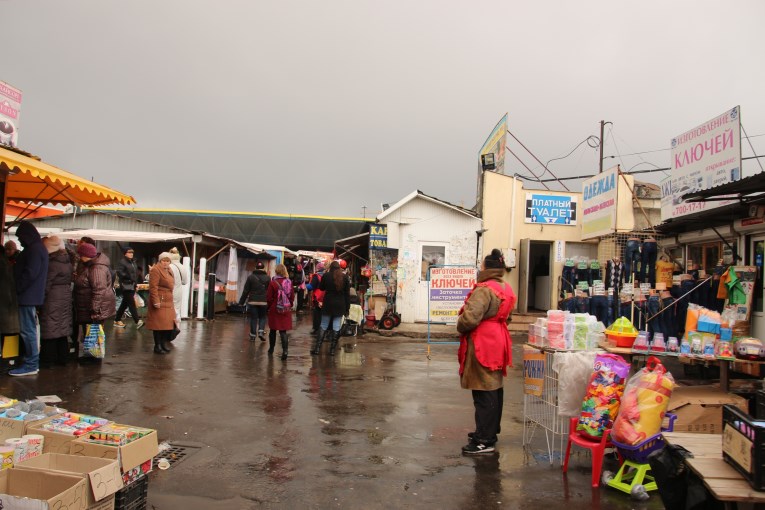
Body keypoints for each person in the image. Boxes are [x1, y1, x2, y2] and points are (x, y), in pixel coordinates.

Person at [456, 249, 516, 455]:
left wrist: (460, 323)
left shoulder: (483, 289)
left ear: (485, 268)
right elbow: (508, 317)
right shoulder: (505, 287)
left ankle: (484, 440)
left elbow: (470, 318)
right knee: (495, 386)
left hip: (483, 341)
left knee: (483, 390)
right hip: (499, 338)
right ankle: (489, 431)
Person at [9, 221, 48, 376]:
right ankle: (31, 362)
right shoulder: (37, 248)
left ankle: (31, 364)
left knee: (28, 330)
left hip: (27, 296)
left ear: (26, 236)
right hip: (30, 295)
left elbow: (30, 273)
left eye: (20, 237)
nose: (19, 241)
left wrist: (18, 288)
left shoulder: (34, 249)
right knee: (29, 330)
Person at [73, 242, 116, 361]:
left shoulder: (96, 268)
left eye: (81, 255)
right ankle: (92, 355)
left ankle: (93, 357)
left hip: (94, 309)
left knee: (93, 331)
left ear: (86, 255)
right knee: (92, 332)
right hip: (91, 306)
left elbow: (99, 290)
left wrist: (94, 309)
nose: (80, 257)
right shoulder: (92, 266)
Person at [39, 236, 73, 367]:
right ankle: (63, 358)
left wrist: (39, 300)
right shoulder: (67, 262)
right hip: (65, 298)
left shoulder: (52, 263)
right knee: (62, 329)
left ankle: (48, 360)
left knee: (50, 328)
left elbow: (46, 285)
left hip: (53, 299)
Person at [312, 260, 350, 356]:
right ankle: (332, 350)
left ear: (331, 268)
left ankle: (317, 349)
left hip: (328, 303)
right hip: (340, 304)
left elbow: (321, 288)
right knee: (336, 326)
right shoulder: (345, 277)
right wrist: (347, 308)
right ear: (339, 268)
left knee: (324, 325)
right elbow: (347, 295)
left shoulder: (326, 276)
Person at [146, 252, 176, 354]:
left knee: (166, 325)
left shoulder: (169, 270)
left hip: (168, 301)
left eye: (168, 261)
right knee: (158, 325)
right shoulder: (156, 270)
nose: (166, 263)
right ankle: (157, 346)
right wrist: (155, 301)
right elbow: (153, 287)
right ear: (160, 260)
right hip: (160, 300)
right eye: (164, 260)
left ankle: (163, 344)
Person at [266, 264, 294, 359]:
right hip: (285, 309)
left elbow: (269, 298)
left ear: (276, 271)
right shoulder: (289, 282)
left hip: (275, 309)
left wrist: (269, 307)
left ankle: (271, 349)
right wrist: (289, 305)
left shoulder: (273, 283)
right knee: (283, 331)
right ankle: (285, 351)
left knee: (273, 330)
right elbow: (292, 297)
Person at [239, 260, 270, 340]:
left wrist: (241, 302)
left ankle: (252, 336)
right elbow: (269, 291)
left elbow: (246, 290)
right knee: (262, 317)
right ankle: (260, 332)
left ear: (255, 268)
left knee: (253, 318)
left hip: (252, 301)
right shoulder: (268, 278)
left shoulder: (250, 277)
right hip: (263, 301)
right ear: (263, 269)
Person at [114, 247, 144, 329]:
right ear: (125, 253)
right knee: (131, 303)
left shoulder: (133, 262)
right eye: (129, 252)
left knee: (125, 303)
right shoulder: (122, 262)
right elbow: (120, 272)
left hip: (132, 285)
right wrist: (128, 278)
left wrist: (135, 284)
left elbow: (135, 274)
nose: (131, 254)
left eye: (132, 252)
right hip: (125, 285)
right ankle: (137, 321)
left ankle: (117, 319)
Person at [168, 247, 190, 330]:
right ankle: (177, 327)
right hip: (178, 291)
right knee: (177, 309)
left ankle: (169, 327)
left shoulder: (169, 266)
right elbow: (185, 282)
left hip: (169, 290)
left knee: (169, 309)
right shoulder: (182, 267)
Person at [306, 263, 326, 334]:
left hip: (318, 297)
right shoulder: (326, 276)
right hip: (325, 297)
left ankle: (317, 329)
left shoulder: (316, 276)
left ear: (317, 268)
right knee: (323, 314)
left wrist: (305, 286)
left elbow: (311, 286)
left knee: (317, 313)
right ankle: (323, 329)